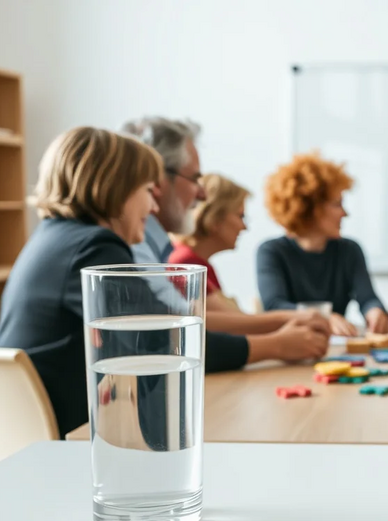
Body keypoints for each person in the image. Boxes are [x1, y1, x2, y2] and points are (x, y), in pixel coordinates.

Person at [0, 128, 297, 438]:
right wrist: (276, 346)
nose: (153, 208)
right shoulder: (93, 245)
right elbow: (165, 342)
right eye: (147, 191)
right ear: (116, 188)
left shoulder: (56, 237)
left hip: (27, 432)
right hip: (55, 442)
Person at [121, 116, 330, 354]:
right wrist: (279, 341)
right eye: (194, 178)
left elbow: (188, 322)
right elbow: (177, 335)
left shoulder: (158, 251)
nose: (201, 194)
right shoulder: (170, 259)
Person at [257, 152, 388, 336]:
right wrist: (322, 316)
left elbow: (368, 298)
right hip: (291, 350)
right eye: (337, 204)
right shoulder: (272, 251)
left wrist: (375, 311)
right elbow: (274, 305)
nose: (345, 213)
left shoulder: (350, 250)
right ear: (310, 209)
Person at [168, 173, 249, 312]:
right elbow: (227, 325)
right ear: (215, 217)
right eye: (240, 216)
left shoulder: (198, 263)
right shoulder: (185, 264)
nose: (244, 226)